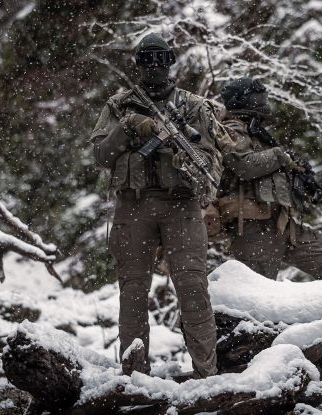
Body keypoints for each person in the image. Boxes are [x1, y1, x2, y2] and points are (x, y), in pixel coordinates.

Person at [89, 32, 231, 378]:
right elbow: (101, 155)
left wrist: (183, 159)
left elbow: (213, 163)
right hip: (132, 207)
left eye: (160, 58)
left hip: (181, 207)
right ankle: (135, 377)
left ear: (171, 62)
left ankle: (207, 375)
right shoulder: (119, 106)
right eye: (147, 59)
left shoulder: (194, 106)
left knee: (193, 288)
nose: (154, 66)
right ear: (138, 63)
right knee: (133, 292)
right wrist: (128, 127)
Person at [216, 77, 322, 281]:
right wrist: (280, 156)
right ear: (241, 101)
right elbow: (245, 166)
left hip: (282, 223)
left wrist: (306, 187)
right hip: (253, 227)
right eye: (256, 98)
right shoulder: (231, 128)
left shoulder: (258, 134)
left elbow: (272, 180)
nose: (261, 102)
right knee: (258, 295)